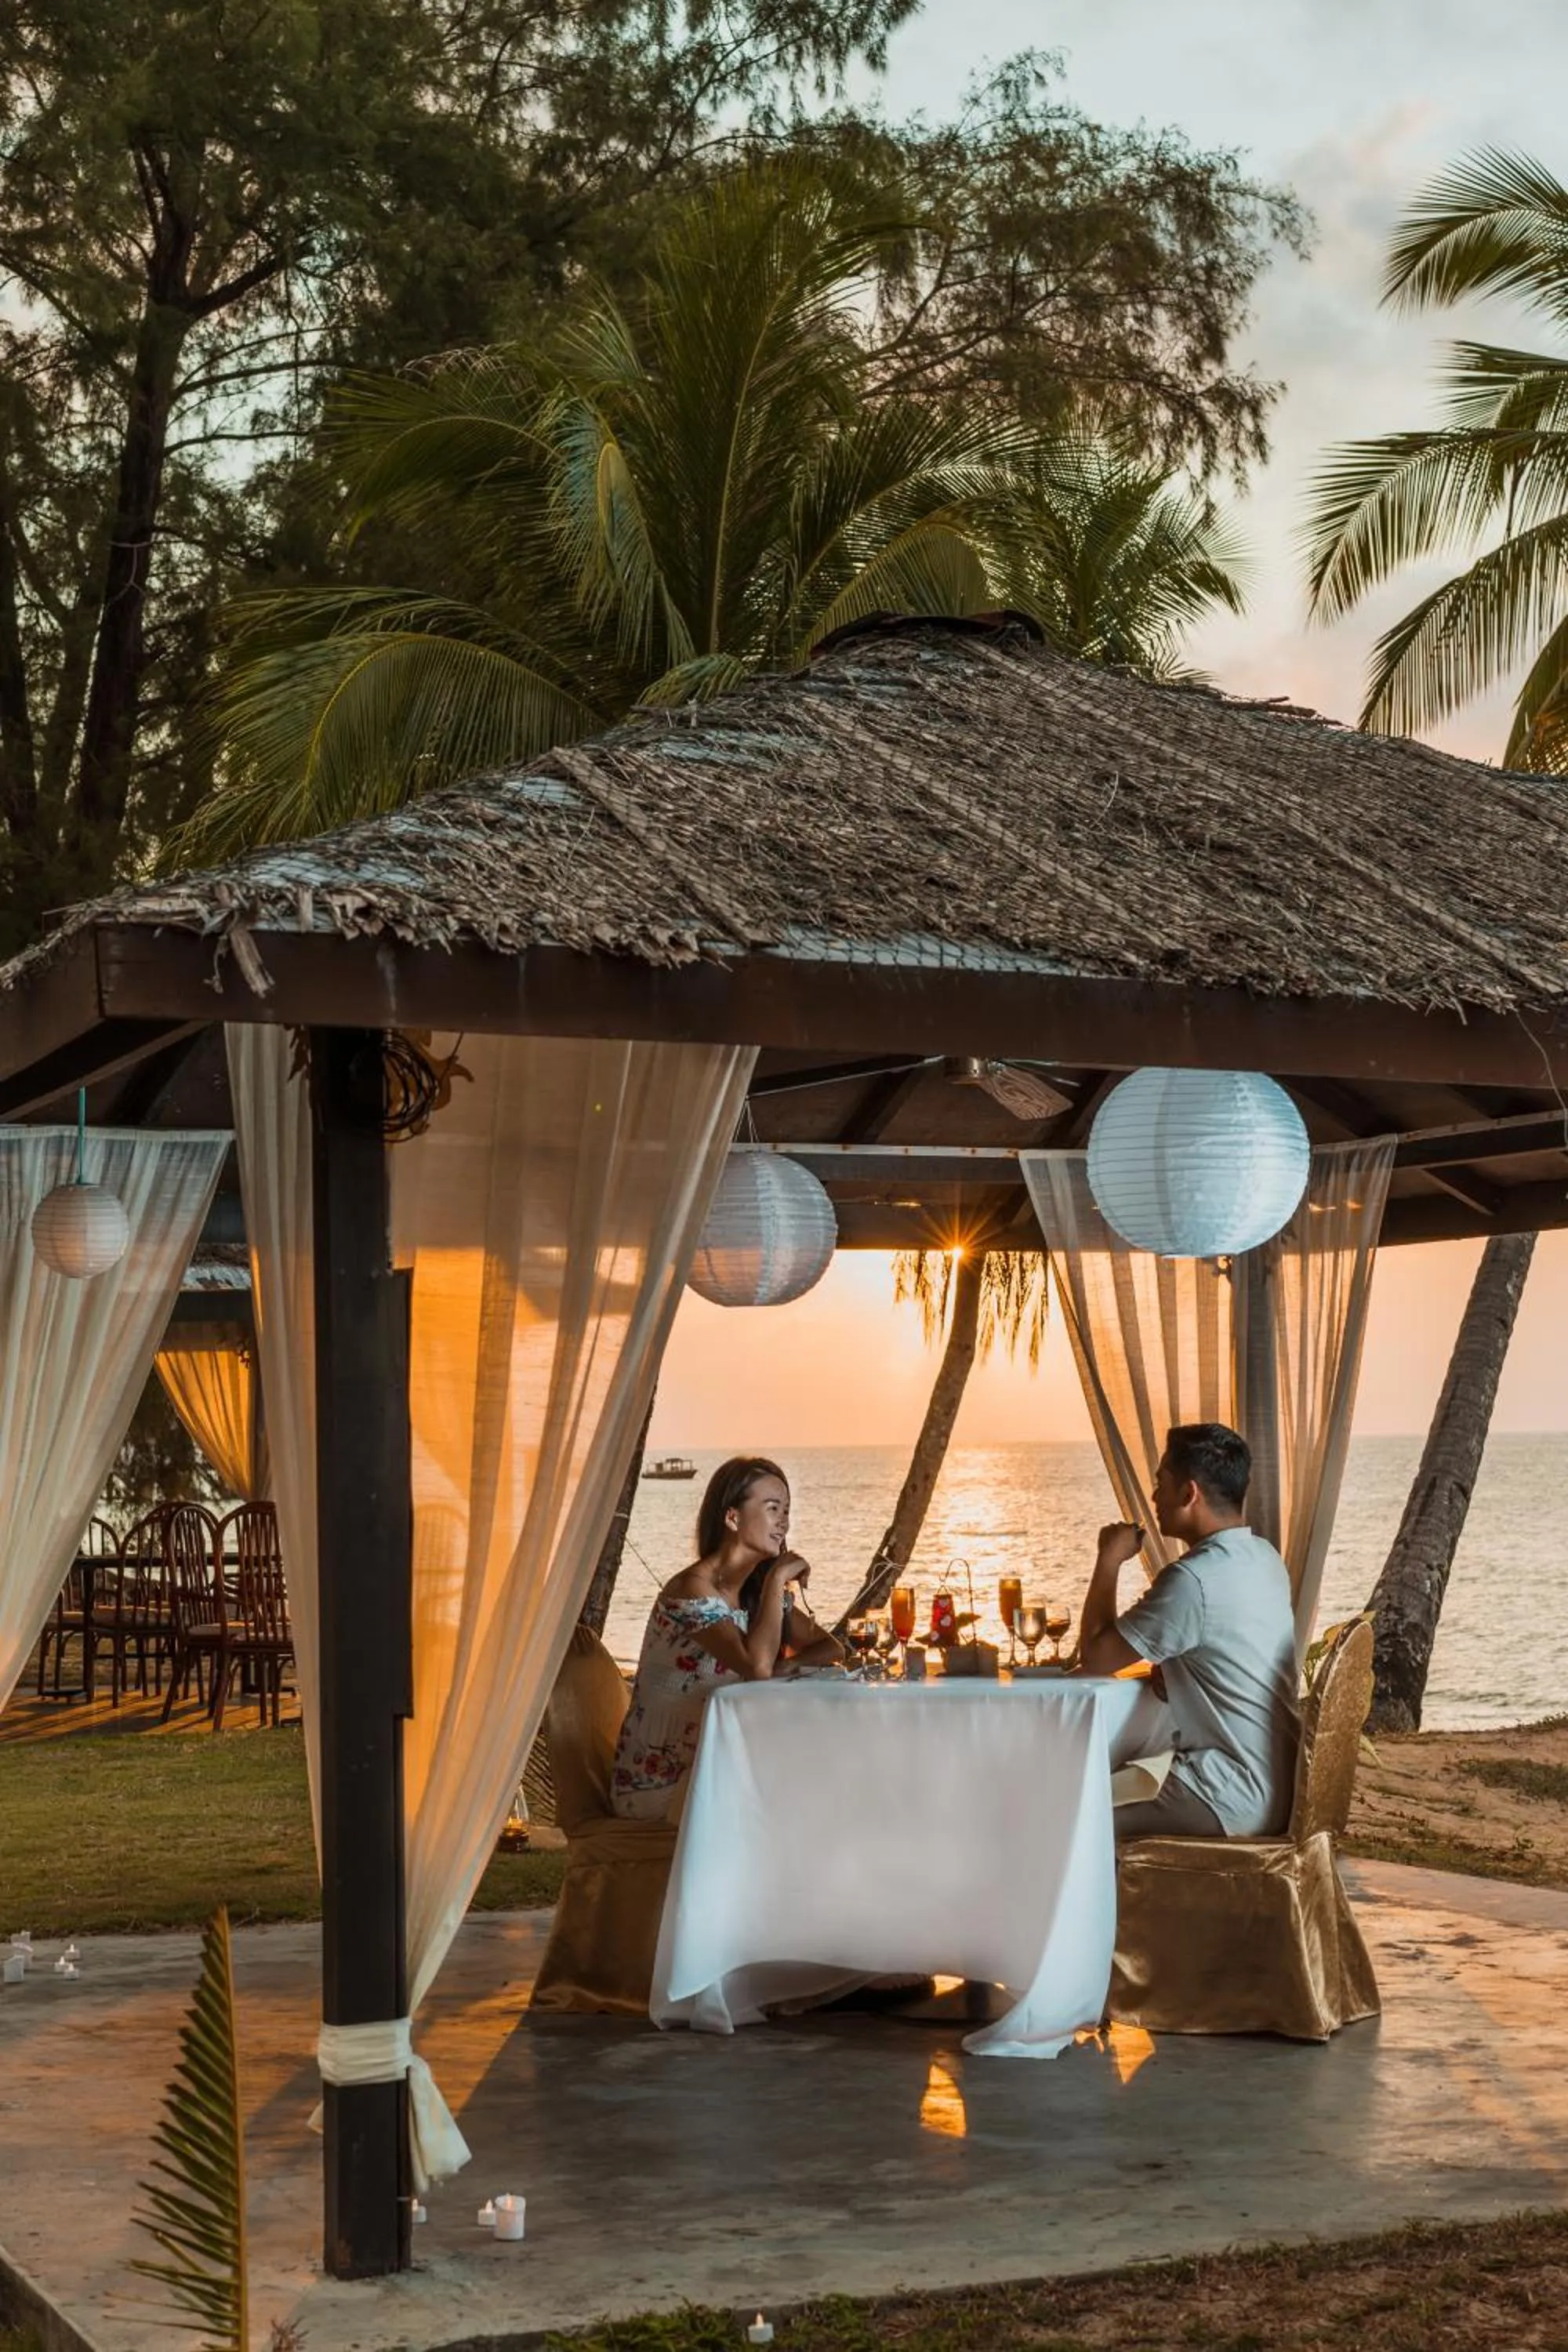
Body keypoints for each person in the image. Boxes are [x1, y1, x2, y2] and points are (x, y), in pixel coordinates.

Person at [1074, 1421, 1301, 1841]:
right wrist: (1179, 1671)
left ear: (1189, 1493)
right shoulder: (1264, 1558)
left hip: (1230, 1795)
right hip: (1282, 1788)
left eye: (1161, 1483)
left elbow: (1095, 1658)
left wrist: (1109, 1559)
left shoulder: (1191, 1581)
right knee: (1105, 1793)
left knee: (1072, 1826)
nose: (1155, 1497)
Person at [609, 1456, 842, 1820]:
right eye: (772, 1508)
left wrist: (790, 1663)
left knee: (821, 1774)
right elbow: (757, 1668)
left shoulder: (755, 1594)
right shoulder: (690, 1590)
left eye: (786, 1509)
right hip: (660, 1785)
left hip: (716, 1766)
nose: (784, 1520)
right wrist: (778, 1577)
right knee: (802, 1795)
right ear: (733, 1518)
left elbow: (832, 1648)